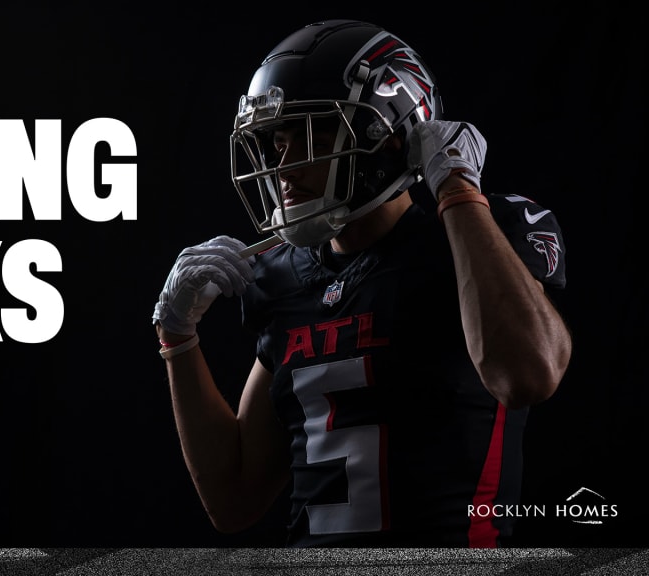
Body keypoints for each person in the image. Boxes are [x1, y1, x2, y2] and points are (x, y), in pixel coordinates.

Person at [152, 19, 572, 547]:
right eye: (275, 141)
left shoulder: (471, 241)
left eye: (311, 135)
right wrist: (178, 338)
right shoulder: (282, 279)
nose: (283, 166)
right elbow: (234, 498)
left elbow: (529, 377)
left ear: (385, 138)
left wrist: (460, 191)